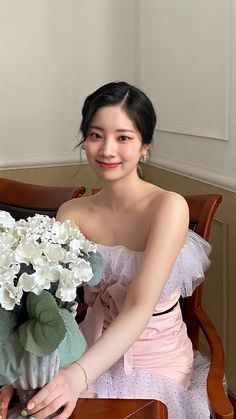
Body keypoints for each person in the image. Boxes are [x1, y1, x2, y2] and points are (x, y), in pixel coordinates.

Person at [0, 81, 211, 419]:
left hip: (153, 360)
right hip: (85, 345)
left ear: (145, 145)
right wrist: (20, 370)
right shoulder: (73, 213)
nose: (107, 150)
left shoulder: (168, 207)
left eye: (123, 137)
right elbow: (54, 306)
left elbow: (139, 308)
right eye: (96, 135)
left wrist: (77, 376)